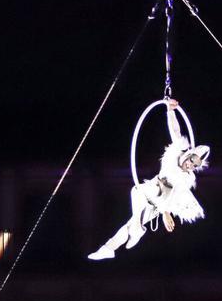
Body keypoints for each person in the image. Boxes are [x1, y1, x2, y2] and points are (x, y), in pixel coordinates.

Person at [88, 98, 210, 260]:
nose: (191, 165)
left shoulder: (186, 178)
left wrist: (165, 212)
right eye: (192, 160)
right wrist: (171, 110)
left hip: (162, 198)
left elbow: (173, 195)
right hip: (155, 193)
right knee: (132, 222)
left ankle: (136, 230)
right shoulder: (177, 151)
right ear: (189, 154)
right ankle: (109, 248)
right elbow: (175, 131)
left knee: (137, 190)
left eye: (195, 165)